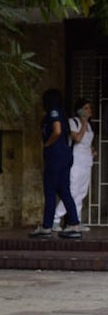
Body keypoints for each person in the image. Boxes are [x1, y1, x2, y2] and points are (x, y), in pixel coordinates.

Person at [32, 88, 82, 239]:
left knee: (50, 191)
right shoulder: (60, 112)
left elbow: (57, 131)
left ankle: (47, 226)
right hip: (64, 157)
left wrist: (48, 144)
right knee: (64, 191)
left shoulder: (53, 112)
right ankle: (74, 224)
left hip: (55, 157)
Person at [54, 97, 96, 232]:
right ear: (79, 111)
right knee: (72, 191)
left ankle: (75, 221)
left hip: (86, 162)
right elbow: (77, 138)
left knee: (81, 192)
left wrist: (92, 150)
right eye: (86, 108)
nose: (89, 111)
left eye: (90, 108)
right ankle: (55, 219)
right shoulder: (73, 122)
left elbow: (87, 143)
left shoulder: (90, 126)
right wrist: (83, 123)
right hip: (76, 162)